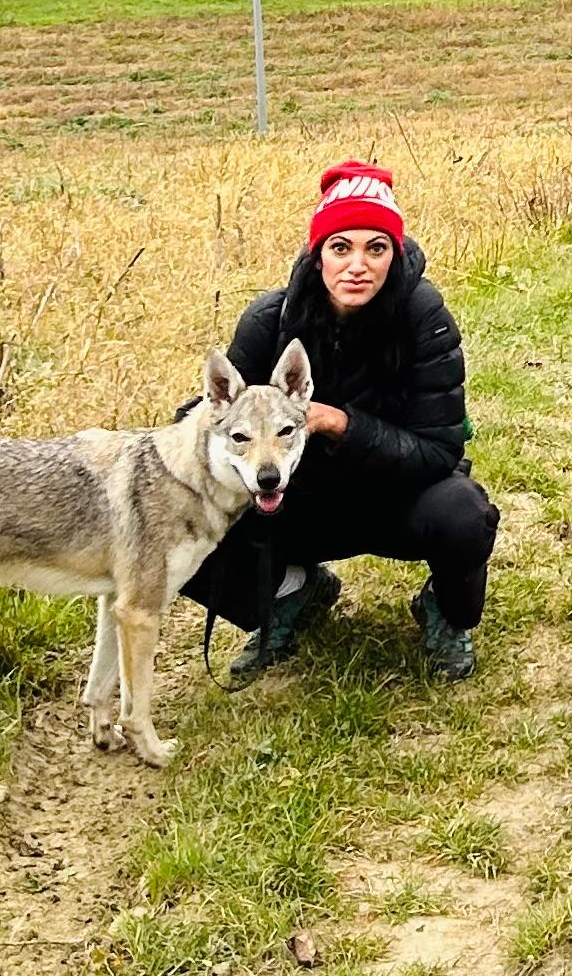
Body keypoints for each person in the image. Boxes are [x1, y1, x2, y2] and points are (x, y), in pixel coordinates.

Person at [186, 159, 494, 682]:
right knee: (183, 507)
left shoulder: (425, 317)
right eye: (340, 247)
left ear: (393, 255)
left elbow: (440, 451)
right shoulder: (269, 321)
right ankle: (292, 592)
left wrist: (339, 423)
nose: (358, 265)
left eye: (376, 248)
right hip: (295, 501)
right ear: (318, 255)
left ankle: (445, 609)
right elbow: (212, 422)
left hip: (398, 496)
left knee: (465, 514)